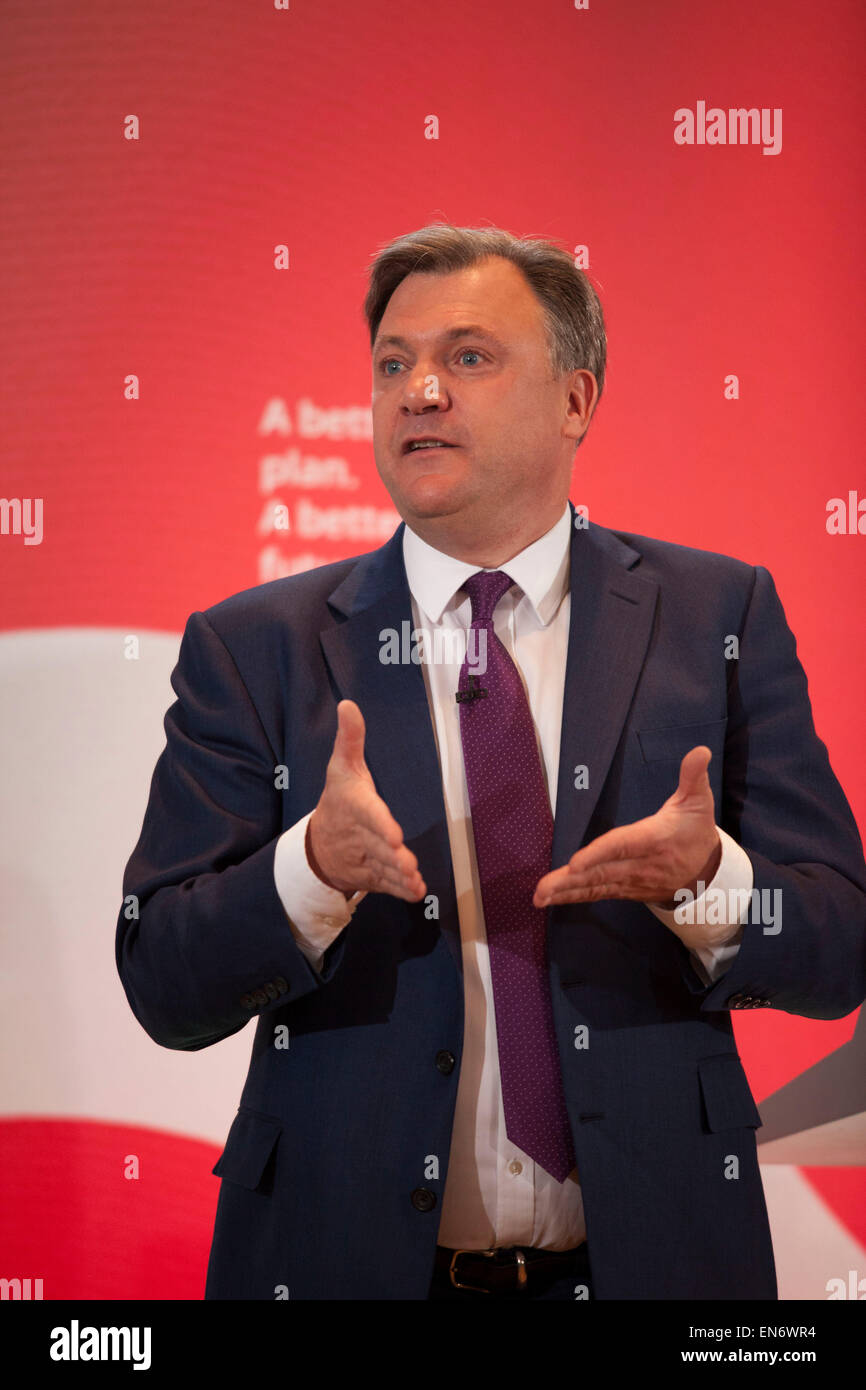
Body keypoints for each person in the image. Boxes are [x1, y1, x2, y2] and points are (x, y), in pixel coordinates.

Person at [116, 224, 866, 1301]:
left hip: (656, 1265)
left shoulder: (717, 614)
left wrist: (710, 887)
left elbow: (836, 944)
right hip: (339, 1266)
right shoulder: (257, 646)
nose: (417, 389)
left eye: (466, 356)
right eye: (392, 363)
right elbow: (161, 983)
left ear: (574, 401)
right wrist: (309, 872)